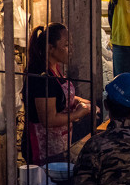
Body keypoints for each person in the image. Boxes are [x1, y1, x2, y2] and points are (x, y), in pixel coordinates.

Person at [22, 23, 94, 165]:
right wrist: (78, 114)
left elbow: (61, 97)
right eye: (66, 45)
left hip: (59, 142)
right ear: (50, 48)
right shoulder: (41, 76)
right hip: (43, 146)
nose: (71, 50)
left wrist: (81, 102)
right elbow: (49, 119)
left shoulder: (55, 68)